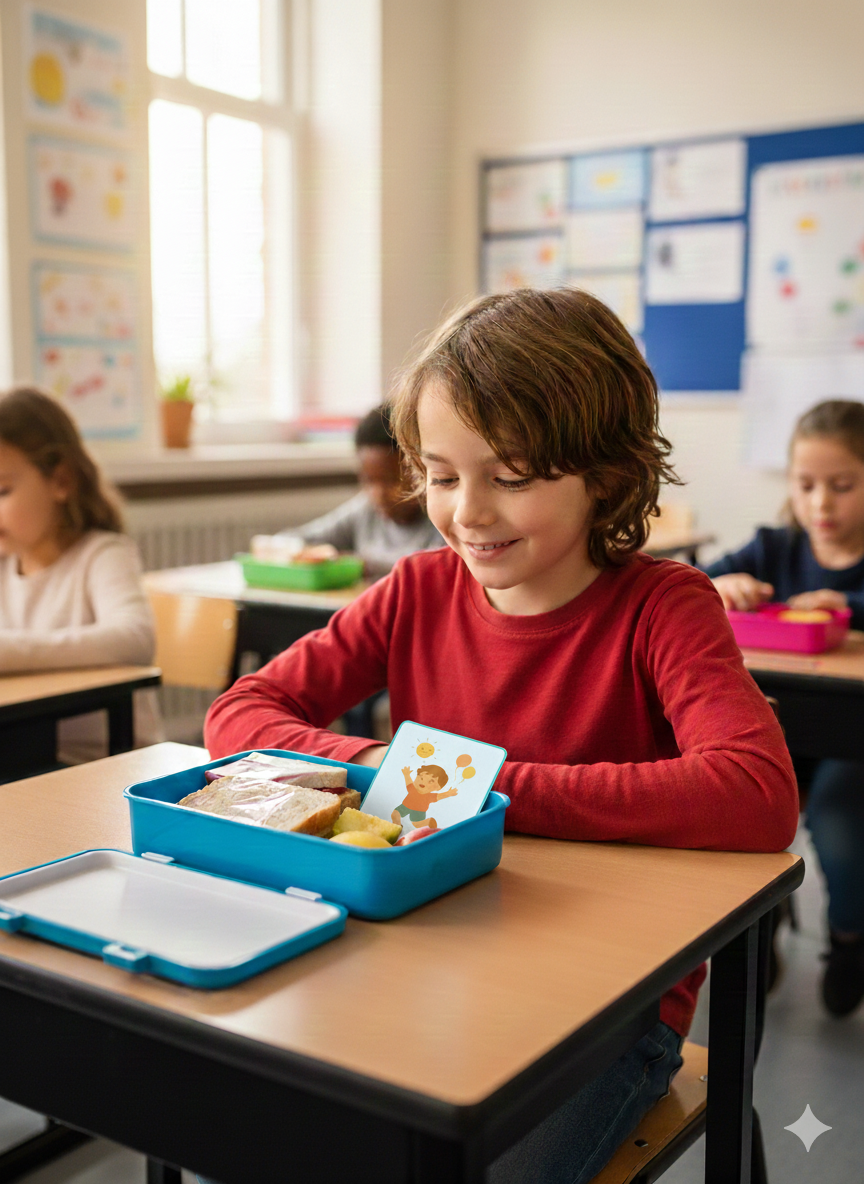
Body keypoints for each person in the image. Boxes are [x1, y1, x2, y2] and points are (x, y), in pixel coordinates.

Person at [204, 289, 796, 1184]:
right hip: (414, 957)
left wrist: (487, 791)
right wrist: (376, 766)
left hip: (609, 1008)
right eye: (442, 476)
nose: (468, 512)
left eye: (511, 475)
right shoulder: (416, 590)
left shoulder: (664, 606)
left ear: (607, 472)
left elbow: (756, 795)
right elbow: (238, 714)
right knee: (250, 1125)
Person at [706, 398, 864, 1017]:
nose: (821, 503)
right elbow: (692, 580)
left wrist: (849, 607)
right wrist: (721, 587)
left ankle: (849, 941)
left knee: (841, 824)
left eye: (843, 486)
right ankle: (755, 932)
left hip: (853, 741)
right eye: (806, 486)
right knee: (745, 817)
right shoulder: (773, 546)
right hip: (781, 730)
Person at [0, 387, 158, 766]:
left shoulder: (102, 554)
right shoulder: (5, 563)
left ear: (61, 481)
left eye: (2, 489)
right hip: (26, 760)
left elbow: (135, 639)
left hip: (108, 764)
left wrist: (12, 652)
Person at [294, 403, 443, 580]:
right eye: (369, 480)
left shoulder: (442, 520)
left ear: (422, 469)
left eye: (392, 480)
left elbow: (436, 570)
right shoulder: (365, 511)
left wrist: (361, 564)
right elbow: (294, 540)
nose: (378, 494)